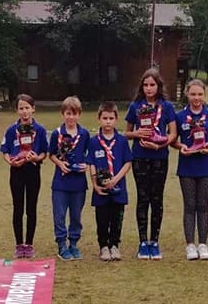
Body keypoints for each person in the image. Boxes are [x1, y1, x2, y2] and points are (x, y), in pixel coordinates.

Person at [125, 69, 178, 261]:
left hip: (160, 157)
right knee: (143, 198)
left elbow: (173, 133)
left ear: (158, 86)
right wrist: (137, 134)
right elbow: (126, 133)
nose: (149, 88)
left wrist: (160, 144)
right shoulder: (135, 106)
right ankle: (142, 242)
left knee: (157, 199)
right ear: (142, 87)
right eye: (146, 85)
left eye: (152, 85)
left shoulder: (167, 106)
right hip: (139, 157)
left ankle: (154, 242)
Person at [174, 78, 208, 260]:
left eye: (200, 94)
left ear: (204, 95)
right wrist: (181, 146)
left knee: (203, 206)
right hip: (187, 167)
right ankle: (190, 245)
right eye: (193, 94)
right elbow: (172, 139)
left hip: (206, 167)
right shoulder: (179, 116)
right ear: (187, 94)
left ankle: (203, 244)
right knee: (189, 206)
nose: (196, 98)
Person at [0, 94, 47, 259]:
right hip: (17, 171)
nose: (24, 111)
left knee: (31, 208)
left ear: (33, 109)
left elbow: (44, 152)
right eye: (21, 108)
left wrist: (36, 158)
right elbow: (5, 151)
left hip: (33, 171)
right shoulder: (11, 130)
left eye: (27, 108)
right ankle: (19, 244)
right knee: (18, 207)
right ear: (17, 110)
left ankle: (30, 243)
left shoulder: (40, 130)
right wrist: (11, 162)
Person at [48, 96, 91, 261]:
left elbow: (89, 154)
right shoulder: (57, 134)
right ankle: (61, 245)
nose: (71, 117)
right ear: (62, 114)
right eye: (68, 113)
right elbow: (51, 154)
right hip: (60, 183)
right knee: (59, 215)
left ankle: (73, 243)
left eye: (74, 114)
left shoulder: (84, 134)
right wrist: (60, 163)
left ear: (79, 114)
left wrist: (86, 164)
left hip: (79, 183)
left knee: (76, 216)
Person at [90, 102, 133, 261]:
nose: (108, 122)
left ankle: (114, 245)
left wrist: (116, 179)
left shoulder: (121, 140)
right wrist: (95, 184)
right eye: (105, 118)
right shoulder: (94, 141)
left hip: (118, 187)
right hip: (101, 190)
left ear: (116, 119)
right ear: (99, 119)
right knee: (102, 218)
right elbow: (91, 163)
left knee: (116, 218)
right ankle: (103, 247)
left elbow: (128, 162)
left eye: (111, 118)